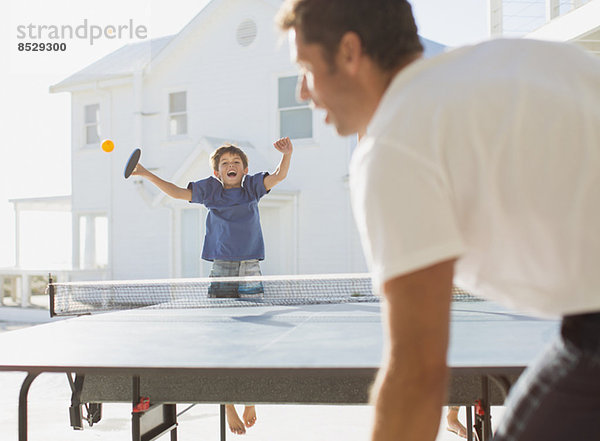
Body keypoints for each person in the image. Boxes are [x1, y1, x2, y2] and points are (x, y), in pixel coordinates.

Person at [276, 1, 600, 440]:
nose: (302, 92)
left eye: (306, 68)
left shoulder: (395, 144)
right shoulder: (514, 63)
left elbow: (416, 370)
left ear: (350, 53)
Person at [132, 137, 293, 434]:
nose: (230, 166)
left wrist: (286, 155)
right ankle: (229, 403)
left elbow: (280, 175)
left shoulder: (253, 187)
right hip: (222, 268)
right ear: (217, 172)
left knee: (252, 334)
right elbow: (178, 192)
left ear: (245, 169)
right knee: (223, 336)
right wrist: (146, 173)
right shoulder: (210, 190)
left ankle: (250, 399)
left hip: (250, 268)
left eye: (235, 163)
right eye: (224, 164)